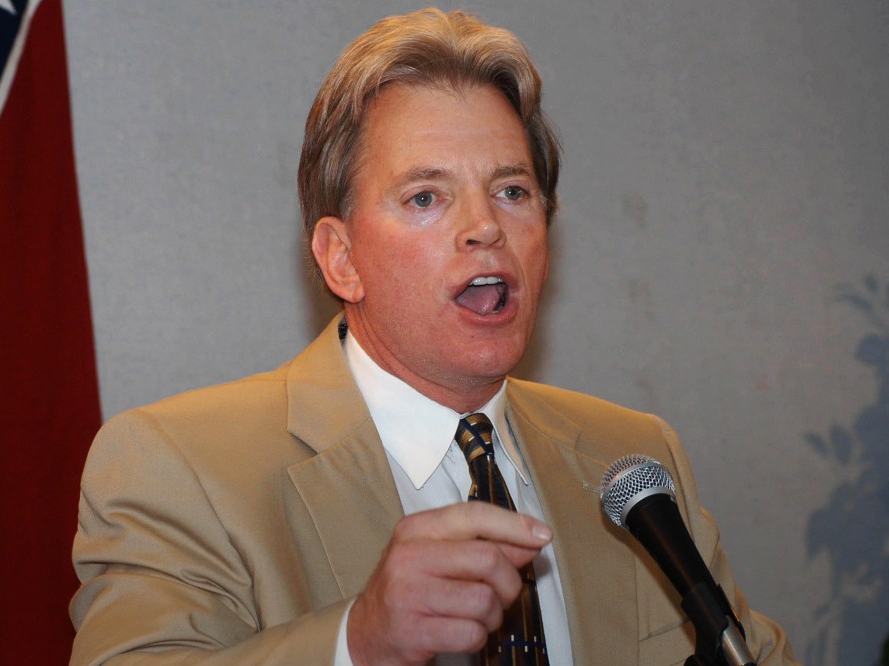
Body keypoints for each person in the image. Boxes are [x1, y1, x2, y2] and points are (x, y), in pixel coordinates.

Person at [69, 8, 799, 666]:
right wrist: (360, 642)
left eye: (513, 191)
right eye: (426, 196)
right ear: (341, 258)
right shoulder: (179, 465)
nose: (485, 227)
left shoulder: (630, 459)